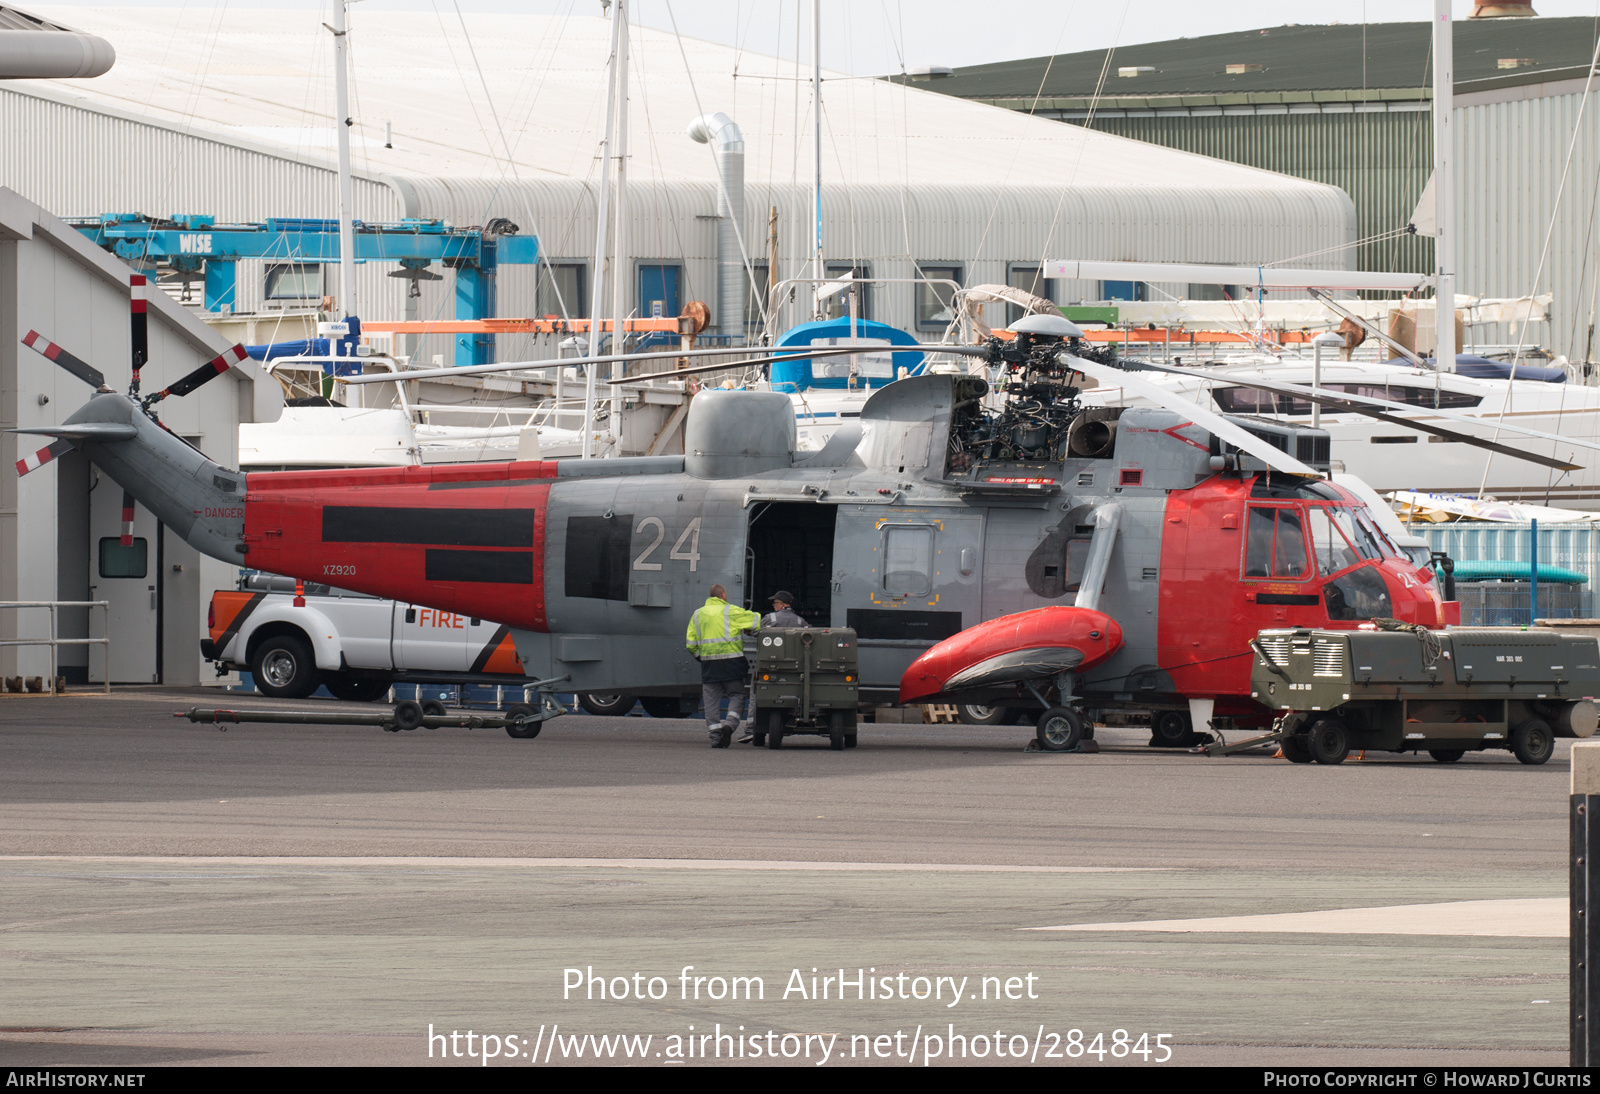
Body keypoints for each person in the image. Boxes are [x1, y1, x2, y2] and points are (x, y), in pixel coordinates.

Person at [685, 583, 760, 748]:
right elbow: (756, 621)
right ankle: (730, 725)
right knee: (736, 696)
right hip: (732, 664)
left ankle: (715, 738)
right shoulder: (730, 611)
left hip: (709, 665)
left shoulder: (697, 614)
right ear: (723, 595)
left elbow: (690, 644)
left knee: (711, 702)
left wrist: (702, 658)